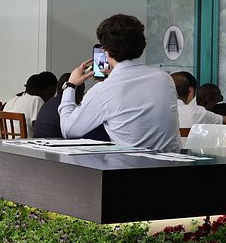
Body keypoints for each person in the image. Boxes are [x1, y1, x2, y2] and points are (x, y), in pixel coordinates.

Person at [59, 14, 180, 151]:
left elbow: (68, 130)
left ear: (106, 51)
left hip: (131, 163)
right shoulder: (165, 79)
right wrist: (112, 78)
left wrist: (70, 86)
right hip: (174, 163)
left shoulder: (103, 90)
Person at [32, 72, 108, 140]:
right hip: (57, 147)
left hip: (41, 146)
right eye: (82, 91)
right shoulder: (66, 109)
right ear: (74, 90)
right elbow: (79, 130)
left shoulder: (49, 104)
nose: (82, 95)